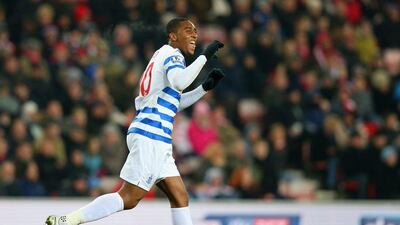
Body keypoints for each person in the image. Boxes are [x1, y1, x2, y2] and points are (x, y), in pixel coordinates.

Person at [45, 17, 225, 225]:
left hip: (156, 137)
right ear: (173, 36)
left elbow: (174, 102)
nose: (194, 34)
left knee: (180, 196)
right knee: (129, 198)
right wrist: (205, 56)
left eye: (195, 30)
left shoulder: (163, 56)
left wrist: (203, 88)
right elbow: (180, 81)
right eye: (188, 30)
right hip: (151, 135)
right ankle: (68, 220)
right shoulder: (172, 55)